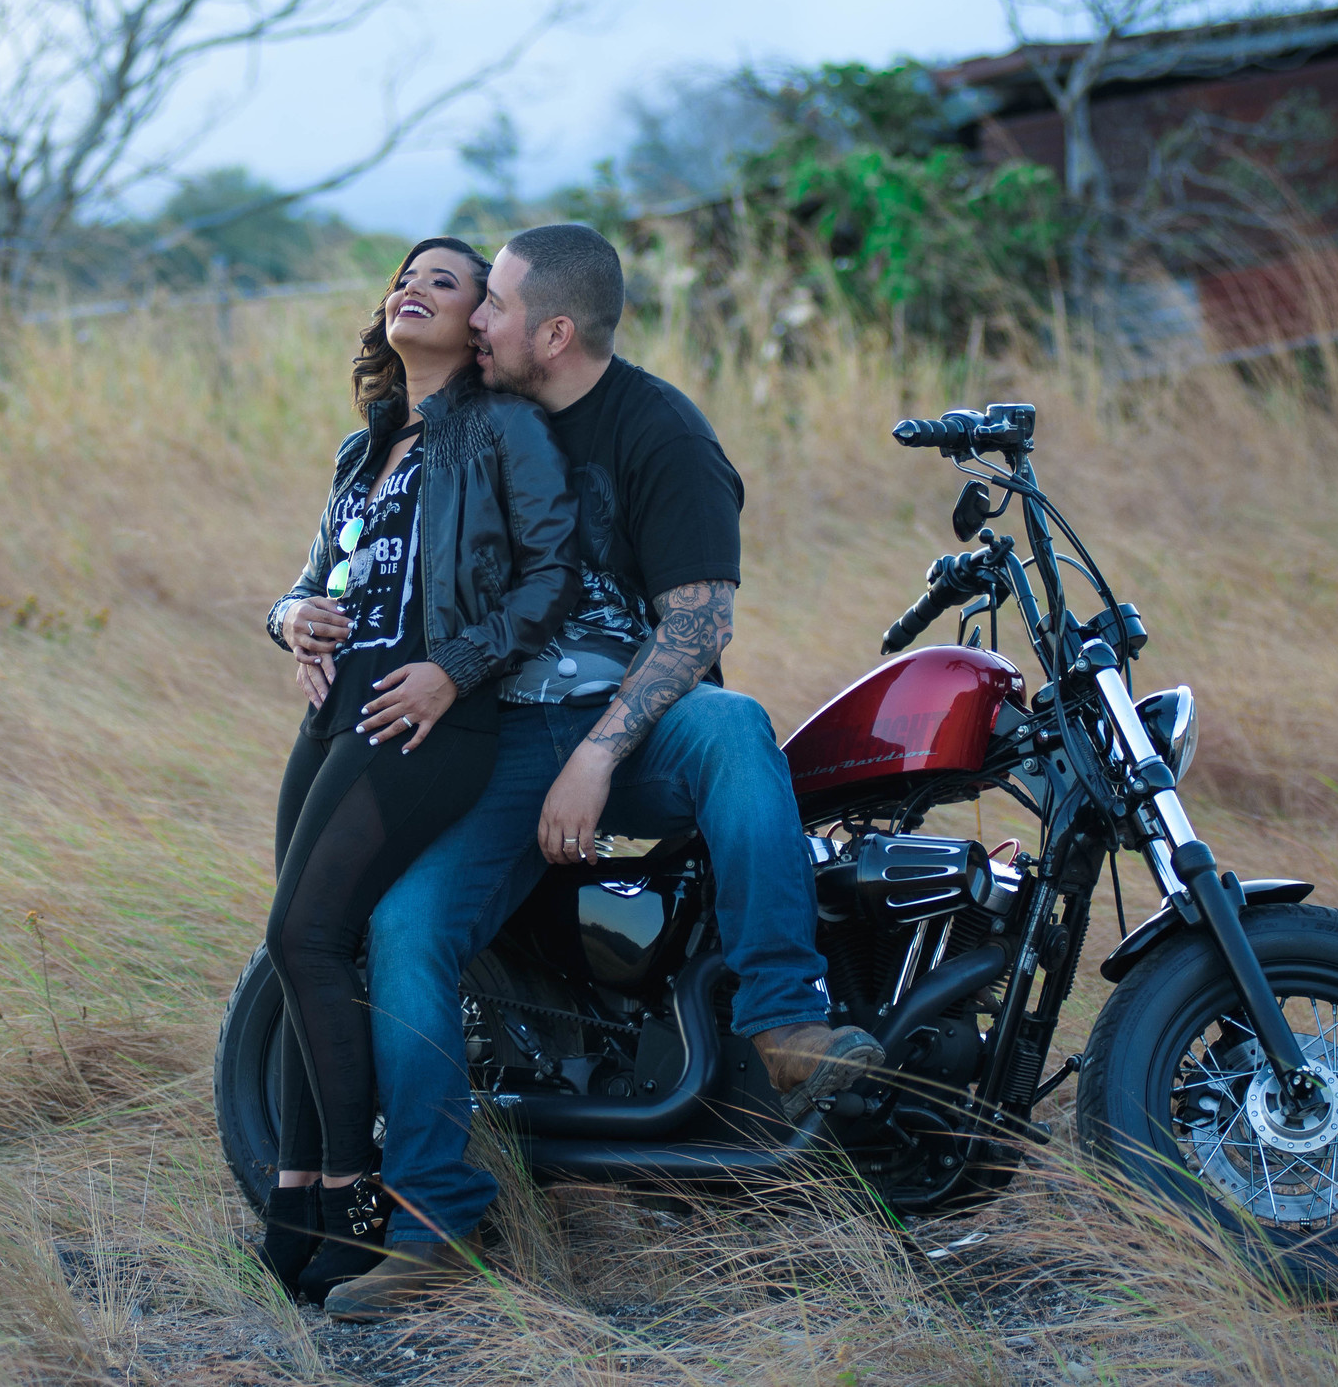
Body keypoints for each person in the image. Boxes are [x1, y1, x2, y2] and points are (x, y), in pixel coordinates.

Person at [323, 223, 882, 1322]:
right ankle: (434, 1222)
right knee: (405, 927)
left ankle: (785, 1024)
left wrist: (594, 754)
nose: (478, 319)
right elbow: (371, 539)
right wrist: (303, 615)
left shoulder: (658, 432)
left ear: (555, 333)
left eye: (495, 304)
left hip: (631, 727)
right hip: (495, 737)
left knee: (733, 724)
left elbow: (698, 624)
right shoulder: (477, 417)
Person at [252, 237, 579, 1303]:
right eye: (405, 276)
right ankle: (294, 1206)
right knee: (308, 950)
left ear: (480, 321)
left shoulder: (501, 429)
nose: (413, 289)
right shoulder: (363, 449)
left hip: (428, 717)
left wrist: (456, 668)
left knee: (305, 937)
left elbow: (551, 577)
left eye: (444, 280)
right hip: (334, 719)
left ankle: (354, 1203)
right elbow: (309, 580)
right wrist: (291, 617)